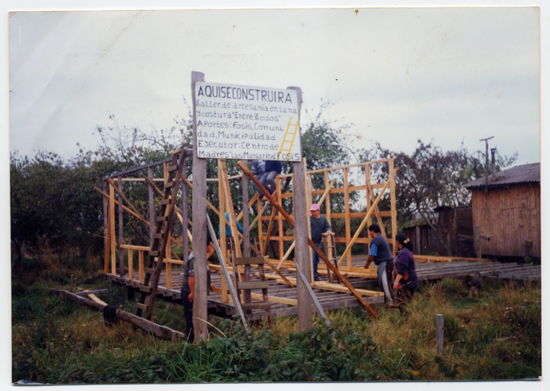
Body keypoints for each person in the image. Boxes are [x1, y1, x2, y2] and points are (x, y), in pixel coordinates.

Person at [180, 238, 217, 343]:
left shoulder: (202, 257)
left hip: (197, 291)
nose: (211, 247)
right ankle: (191, 343)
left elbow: (202, 273)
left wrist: (208, 284)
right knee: (191, 319)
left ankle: (199, 340)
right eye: (209, 245)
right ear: (203, 246)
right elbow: (192, 278)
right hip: (189, 292)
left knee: (198, 318)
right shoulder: (194, 259)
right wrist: (192, 293)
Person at [309, 203, 335, 281]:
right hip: (310, 242)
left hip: (318, 242)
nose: (313, 213)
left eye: (314, 211)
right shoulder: (309, 219)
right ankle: (312, 276)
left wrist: (328, 231)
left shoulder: (323, 219)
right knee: (312, 259)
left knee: (316, 259)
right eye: (312, 211)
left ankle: (315, 276)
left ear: (318, 211)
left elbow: (327, 226)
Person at [393, 233, 418, 309]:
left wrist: (396, 281)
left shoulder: (404, 252)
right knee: (403, 303)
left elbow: (402, 270)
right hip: (406, 281)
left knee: (403, 305)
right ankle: (406, 319)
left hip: (408, 282)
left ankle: (406, 319)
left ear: (397, 242)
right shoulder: (404, 251)